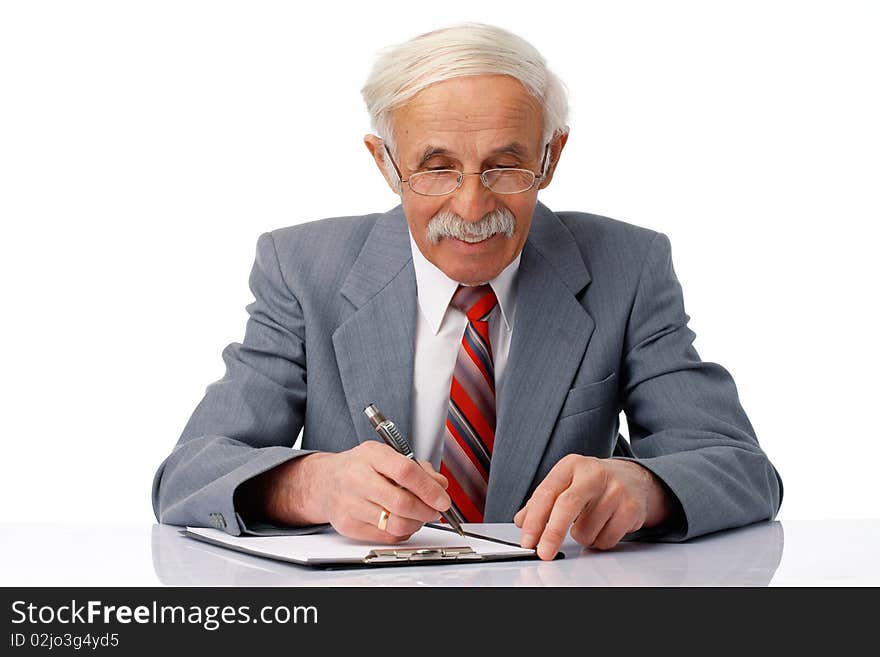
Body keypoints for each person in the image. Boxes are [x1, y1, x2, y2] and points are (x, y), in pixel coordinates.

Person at [152, 23, 782, 561]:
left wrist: (643, 489)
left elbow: (743, 469)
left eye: (506, 165)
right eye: (436, 167)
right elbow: (185, 478)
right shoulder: (301, 267)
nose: (473, 205)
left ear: (552, 158)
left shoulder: (629, 266)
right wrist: (313, 484)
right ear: (385, 164)